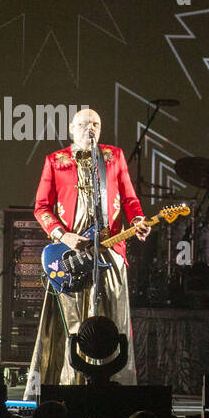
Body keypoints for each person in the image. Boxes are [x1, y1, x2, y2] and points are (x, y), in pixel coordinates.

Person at [26, 109, 150, 393]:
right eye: (83, 124)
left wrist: (139, 220)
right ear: (71, 128)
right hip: (71, 255)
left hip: (109, 250)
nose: (89, 128)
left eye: (95, 123)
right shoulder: (55, 161)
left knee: (113, 319)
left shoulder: (114, 156)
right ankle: (69, 387)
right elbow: (41, 207)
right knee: (72, 325)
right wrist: (63, 236)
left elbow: (130, 199)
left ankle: (115, 388)